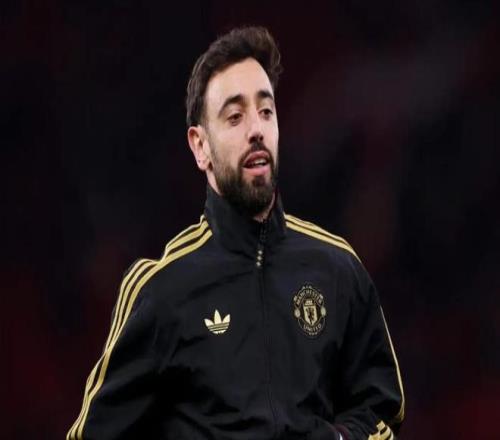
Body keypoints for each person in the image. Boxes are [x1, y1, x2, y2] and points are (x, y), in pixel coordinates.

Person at [67, 26, 404, 440]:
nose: (256, 129)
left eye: (266, 111)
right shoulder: (161, 290)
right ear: (200, 147)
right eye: (235, 116)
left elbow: (381, 409)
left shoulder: (337, 269)